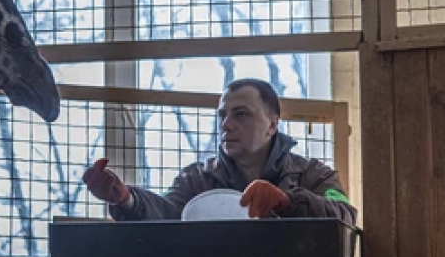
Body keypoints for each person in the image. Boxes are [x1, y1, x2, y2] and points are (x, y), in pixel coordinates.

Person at [82, 77, 357, 224]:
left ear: (272, 125)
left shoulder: (315, 175)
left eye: (241, 114)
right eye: (222, 115)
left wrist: (287, 202)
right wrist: (127, 198)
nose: (226, 124)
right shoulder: (195, 179)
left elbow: (345, 215)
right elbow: (167, 216)